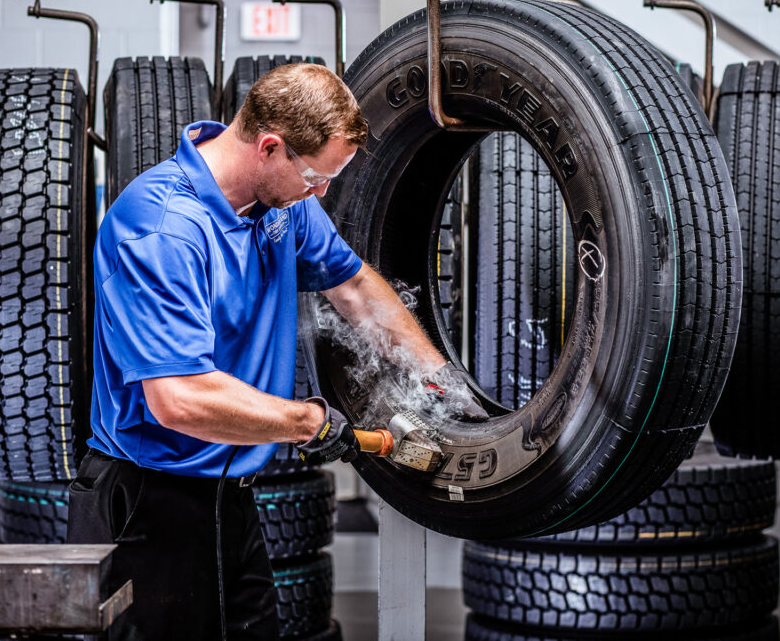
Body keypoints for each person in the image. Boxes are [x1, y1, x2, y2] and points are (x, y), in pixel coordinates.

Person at [67, 63, 484, 640]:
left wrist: (438, 379)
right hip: (149, 503)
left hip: (231, 498)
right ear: (270, 147)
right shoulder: (162, 229)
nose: (323, 193)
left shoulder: (285, 208)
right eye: (317, 176)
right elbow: (179, 400)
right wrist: (304, 421)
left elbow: (355, 288)